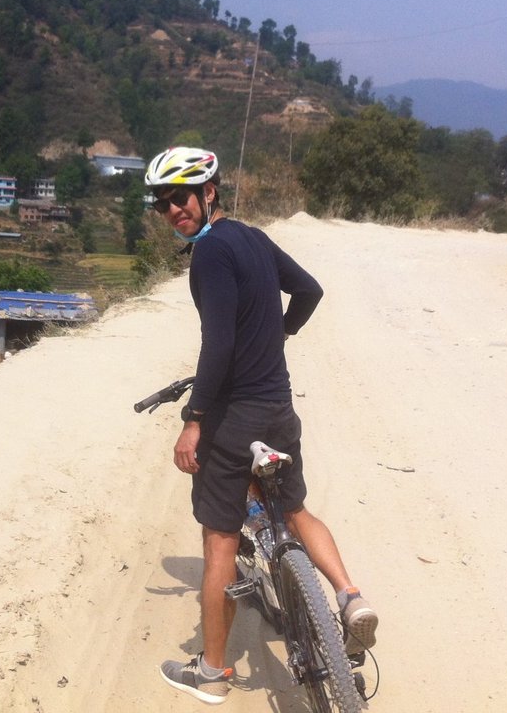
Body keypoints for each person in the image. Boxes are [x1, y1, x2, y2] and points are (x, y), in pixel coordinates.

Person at [146, 146, 377, 706]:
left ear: (209, 193)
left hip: (235, 416)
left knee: (220, 539)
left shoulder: (209, 255)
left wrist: (194, 420)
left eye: (181, 196)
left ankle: (213, 672)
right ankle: (349, 597)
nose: (172, 209)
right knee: (294, 511)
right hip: (278, 408)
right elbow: (309, 291)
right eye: (161, 202)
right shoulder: (252, 237)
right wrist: (278, 335)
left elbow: (218, 344)